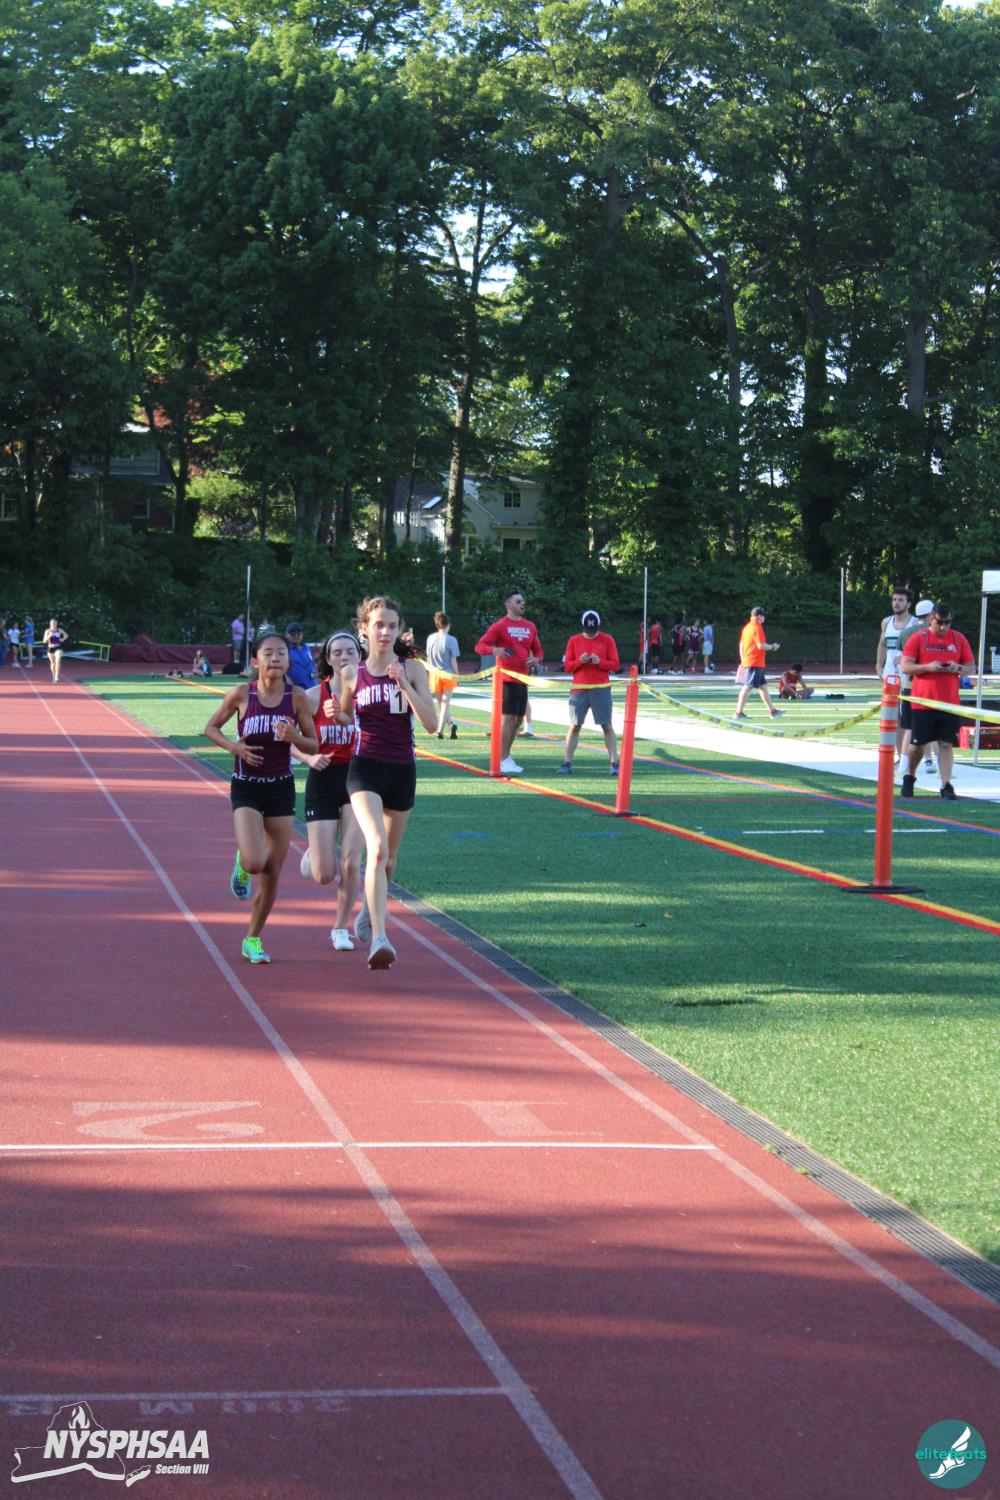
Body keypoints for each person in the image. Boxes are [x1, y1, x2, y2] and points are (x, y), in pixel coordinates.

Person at [203, 629, 318, 964]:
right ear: (255, 661)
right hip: (247, 786)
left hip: (281, 788)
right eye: (268, 653)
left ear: (288, 661)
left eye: (282, 653)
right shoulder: (242, 694)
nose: (276, 659)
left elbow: (314, 745)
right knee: (255, 862)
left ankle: (252, 938)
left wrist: (294, 736)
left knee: (271, 872)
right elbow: (211, 728)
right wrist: (234, 747)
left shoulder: (296, 698)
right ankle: (242, 863)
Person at [338, 595, 436, 970]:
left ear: (399, 630)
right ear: (364, 628)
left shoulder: (413, 669)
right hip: (365, 768)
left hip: (402, 770)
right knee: (376, 849)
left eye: (392, 626)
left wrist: (404, 685)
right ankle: (380, 938)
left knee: (389, 860)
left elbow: (431, 724)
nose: (385, 632)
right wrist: (335, 713)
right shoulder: (351, 673)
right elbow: (346, 716)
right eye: (378, 625)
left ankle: (369, 910)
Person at [294, 632, 365, 951]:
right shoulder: (312, 697)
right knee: (324, 874)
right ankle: (316, 851)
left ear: (359, 655)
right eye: (337, 652)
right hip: (323, 777)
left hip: (359, 778)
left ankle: (340, 928)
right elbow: (288, 739)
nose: (344, 657)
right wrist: (309, 757)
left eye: (350, 651)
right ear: (328, 658)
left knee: (350, 862)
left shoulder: (368, 694)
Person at [899, 601, 974, 801]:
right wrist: (928, 667)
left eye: (947, 622)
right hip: (923, 702)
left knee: (946, 744)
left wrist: (957, 668)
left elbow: (971, 668)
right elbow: (905, 666)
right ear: (931, 618)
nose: (943, 627)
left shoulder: (958, 639)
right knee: (918, 745)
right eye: (940, 622)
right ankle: (910, 776)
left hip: (949, 703)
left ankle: (946, 785)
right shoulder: (918, 637)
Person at [473, 590, 543, 775]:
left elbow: (538, 651)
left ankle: (506, 756)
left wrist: (536, 659)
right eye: (518, 601)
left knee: (518, 720)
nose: (522, 603)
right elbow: (480, 646)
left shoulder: (530, 626)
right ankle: (500, 758)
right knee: (508, 719)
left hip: (523, 679)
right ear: (508, 604)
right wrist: (494, 650)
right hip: (506, 679)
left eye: (523, 601)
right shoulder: (500, 626)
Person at [557, 611, 620, 774]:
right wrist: (580, 661)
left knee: (607, 725)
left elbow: (615, 665)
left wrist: (600, 662)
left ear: (598, 625)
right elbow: (567, 667)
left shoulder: (607, 639)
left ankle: (614, 763)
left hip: (601, 688)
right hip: (579, 688)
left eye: (593, 629)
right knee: (574, 725)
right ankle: (566, 763)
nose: (591, 632)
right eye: (588, 629)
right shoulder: (574, 640)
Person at [876, 586, 915, 765]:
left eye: (901, 600)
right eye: (894, 599)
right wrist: (879, 665)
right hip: (889, 678)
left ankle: (917, 757)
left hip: (907, 678)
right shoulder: (887, 622)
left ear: (908, 604)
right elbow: (882, 644)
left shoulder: (915, 624)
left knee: (908, 718)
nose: (896, 603)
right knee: (892, 718)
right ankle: (899, 756)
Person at [733, 607, 782, 720]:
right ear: (759, 616)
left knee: (763, 687)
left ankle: (773, 712)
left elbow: (741, 644)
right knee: (747, 687)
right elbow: (761, 646)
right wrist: (773, 647)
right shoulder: (757, 627)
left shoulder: (747, 627)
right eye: (763, 615)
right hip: (755, 662)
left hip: (751, 661)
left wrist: (743, 660)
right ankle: (738, 713)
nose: (764, 618)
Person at [425, 611, 461, 739]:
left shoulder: (430, 638)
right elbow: (453, 661)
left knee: (442, 703)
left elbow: (428, 659)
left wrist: (428, 676)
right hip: (448, 673)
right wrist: (457, 675)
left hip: (434, 673)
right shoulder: (451, 640)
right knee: (445, 703)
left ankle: (450, 725)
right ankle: (441, 730)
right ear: (448, 625)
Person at [285, 622, 317, 690]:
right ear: (286, 635)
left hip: (313, 686)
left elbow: (312, 664)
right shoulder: (284, 649)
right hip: (296, 690)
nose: (296, 636)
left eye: (298, 633)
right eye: (293, 634)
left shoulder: (307, 648)